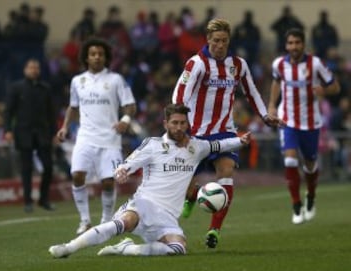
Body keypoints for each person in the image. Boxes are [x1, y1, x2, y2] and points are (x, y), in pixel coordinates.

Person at [48, 103, 251, 258]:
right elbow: (128, 164)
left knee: (178, 249)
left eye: (182, 123)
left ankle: (127, 249)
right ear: (166, 124)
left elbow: (219, 145)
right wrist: (122, 171)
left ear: (187, 124)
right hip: (143, 205)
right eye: (174, 123)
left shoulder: (197, 147)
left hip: (168, 217)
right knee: (124, 222)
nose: (179, 127)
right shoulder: (152, 145)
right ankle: (69, 247)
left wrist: (240, 141)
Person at [172, 18, 283, 248]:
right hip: (196, 133)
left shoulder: (238, 64)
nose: (220, 45)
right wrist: (180, 125)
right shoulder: (197, 63)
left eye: (224, 41)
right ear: (208, 40)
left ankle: (215, 230)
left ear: (229, 40)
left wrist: (265, 115)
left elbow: (251, 91)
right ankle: (191, 197)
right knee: (188, 184)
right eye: (216, 41)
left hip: (225, 132)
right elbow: (179, 95)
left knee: (226, 172)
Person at [56, 38, 136, 235]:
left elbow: (130, 105)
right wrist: (65, 127)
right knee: (76, 175)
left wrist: (125, 120)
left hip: (110, 139)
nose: (97, 57)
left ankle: (106, 220)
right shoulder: (77, 81)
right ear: (86, 57)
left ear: (106, 57)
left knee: (108, 182)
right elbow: (73, 107)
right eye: (93, 54)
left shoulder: (116, 79)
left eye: (100, 54)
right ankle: (84, 221)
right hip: (85, 137)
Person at [267, 28, 340, 225]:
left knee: (310, 163)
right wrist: (272, 105)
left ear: (303, 44)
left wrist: (323, 89)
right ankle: (296, 205)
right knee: (290, 161)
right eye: (290, 43)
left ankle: (311, 195)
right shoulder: (279, 64)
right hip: (287, 119)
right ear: (286, 45)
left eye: (297, 43)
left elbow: (335, 86)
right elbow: (276, 82)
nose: (293, 47)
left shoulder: (315, 64)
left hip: (310, 122)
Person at [4, 58, 56, 212]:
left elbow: (51, 113)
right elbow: (9, 111)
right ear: (25, 70)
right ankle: (27, 201)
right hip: (23, 133)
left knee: (48, 166)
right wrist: (8, 130)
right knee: (26, 169)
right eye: (31, 67)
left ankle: (43, 199)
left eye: (36, 68)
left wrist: (54, 132)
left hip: (42, 133)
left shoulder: (45, 88)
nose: (34, 70)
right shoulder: (16, 88)